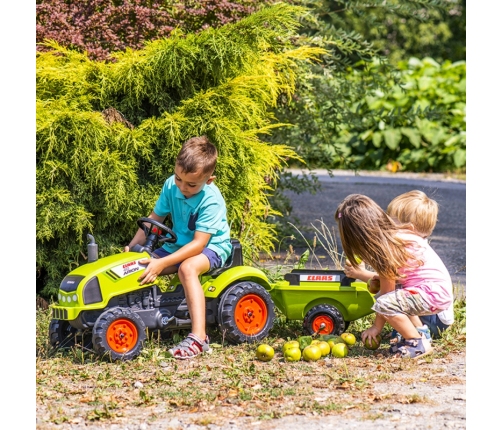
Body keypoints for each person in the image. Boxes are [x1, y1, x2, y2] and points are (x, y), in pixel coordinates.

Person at [125, 136, 232, 360]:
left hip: (211, 247)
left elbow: (199, 244)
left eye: (191, 184)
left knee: (187, 268)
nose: (183, 187)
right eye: (179, 179)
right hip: (179, 244)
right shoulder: (170, 185)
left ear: (209, 180)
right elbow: (155, 219)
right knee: (136, 265)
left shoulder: (211, 200)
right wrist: (133, 247)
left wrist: (163, 262)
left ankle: (199, 338)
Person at [335, 194, 453, 359]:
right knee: (395, 294)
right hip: (435, 293)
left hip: (432, 295)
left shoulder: (388, 249)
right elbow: (391, 284)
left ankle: (416, 343)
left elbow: (386, 296)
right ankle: (420, 333)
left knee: (384, 302)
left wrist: (376, 328)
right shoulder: (394, 241)